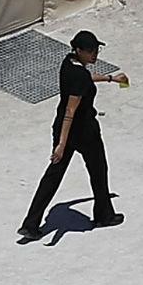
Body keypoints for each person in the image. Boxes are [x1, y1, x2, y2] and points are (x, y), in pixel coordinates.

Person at [19, 30, 127, 243]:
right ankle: (104, 215)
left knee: (53, 176)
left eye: (96, 49)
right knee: (98, 170)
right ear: (79, 50)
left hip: (63, 129)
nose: (95, 54)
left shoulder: (69, 63)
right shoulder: (78, 74)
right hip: (83, 132)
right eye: (90, 51)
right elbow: (71, 110)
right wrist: (61, 145)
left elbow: (86, 78)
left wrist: (110, 78)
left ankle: (30, 225)